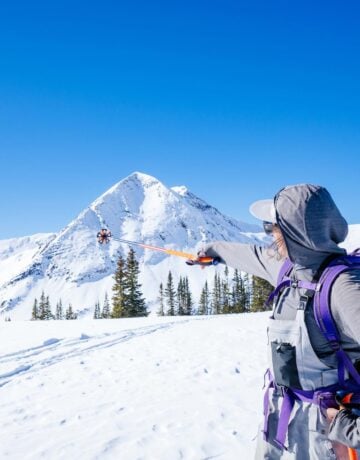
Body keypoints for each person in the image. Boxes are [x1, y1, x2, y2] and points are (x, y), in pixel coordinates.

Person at [195, 184, 360, 459]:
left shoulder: (345, 288)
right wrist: (212, 251)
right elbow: (252, 256)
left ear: (295, 233)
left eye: (273, 227)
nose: (270, 235)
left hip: (330, 440)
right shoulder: (288, 268)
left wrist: (352, 429)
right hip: (282, 423)